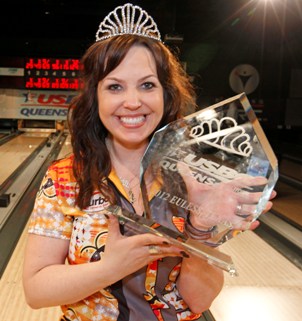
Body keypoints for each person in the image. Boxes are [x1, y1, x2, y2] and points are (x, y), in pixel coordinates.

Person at [23, 3, 275, 321]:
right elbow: (35, 290)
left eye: (147, 85)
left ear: (165, 95)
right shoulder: (65, 178)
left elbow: (199, 302)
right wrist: (109, 269)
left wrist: (200, 231)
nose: (132, 101)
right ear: (95, 96)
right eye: (115, 86)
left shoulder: (193, 177)